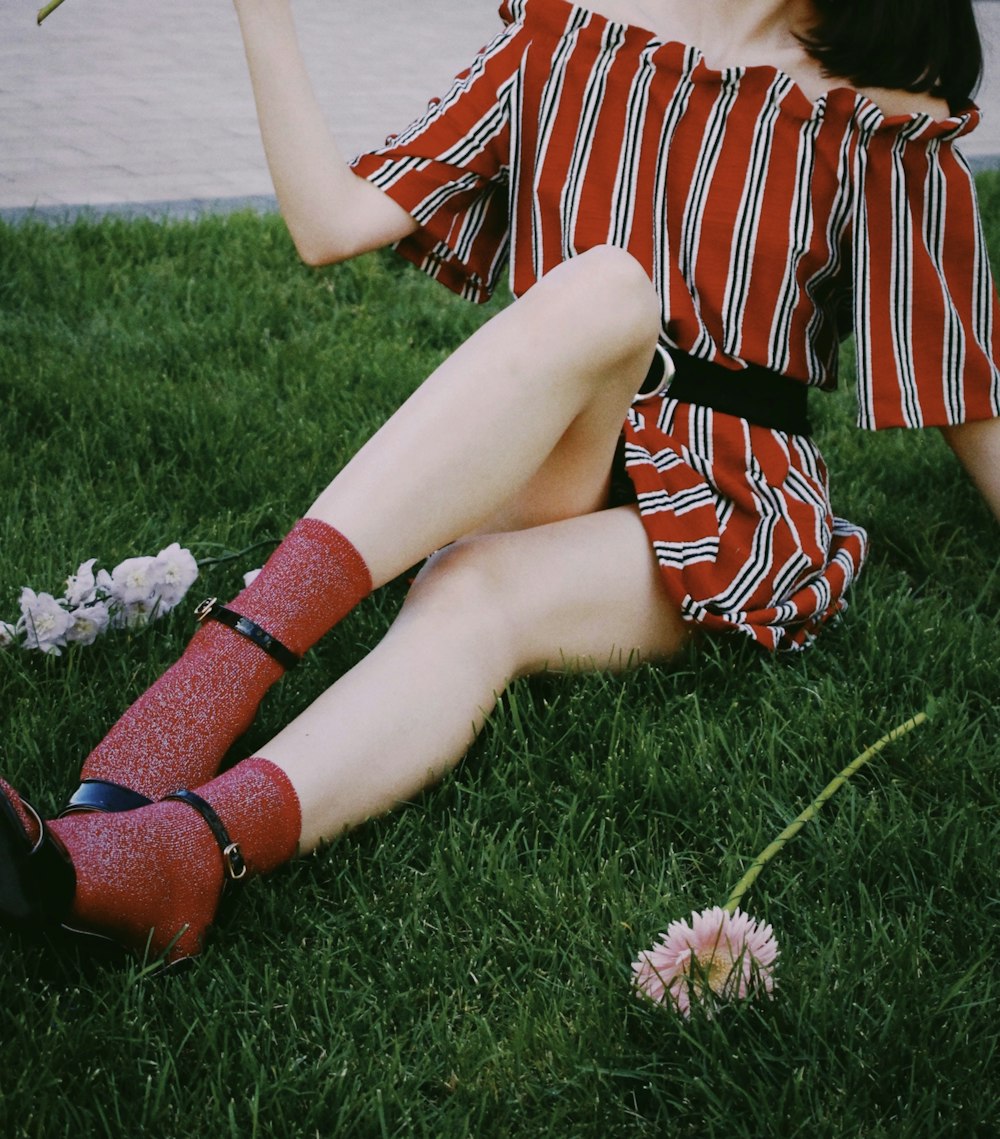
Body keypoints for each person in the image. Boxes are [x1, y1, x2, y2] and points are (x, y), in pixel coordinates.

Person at [2, 0, 999, 964]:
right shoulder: (565, 33)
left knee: (467, 586)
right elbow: (332, 223)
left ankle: (180, 857)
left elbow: (967, 390)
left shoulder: (878, 119)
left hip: (727, 510)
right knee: (608, 289)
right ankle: (203, 687)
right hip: (557, 444)